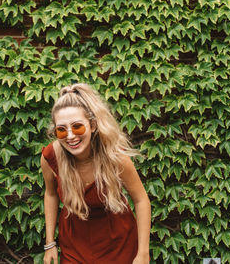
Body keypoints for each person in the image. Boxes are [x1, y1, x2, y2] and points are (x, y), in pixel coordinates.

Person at [41, 83, 151, 264]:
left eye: (77, 127)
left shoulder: (116, 158)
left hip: (118, 243)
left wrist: (143, 254)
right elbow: (51, 194)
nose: (70, 136)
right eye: (61, 130)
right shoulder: (51, 157)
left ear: (92, 125)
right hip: (74, 243)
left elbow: (141, 200)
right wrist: (50, 243)